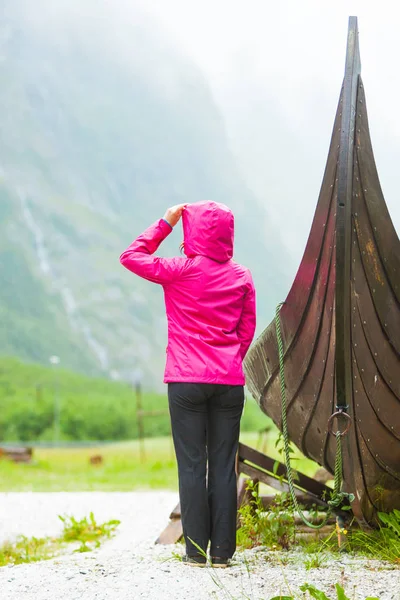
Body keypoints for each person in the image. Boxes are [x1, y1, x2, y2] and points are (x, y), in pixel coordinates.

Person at [120, 201, 256, 568]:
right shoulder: (241, 276)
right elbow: (246, 330)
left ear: (191, 231)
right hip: (228, 382)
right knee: (224, 465)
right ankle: (224, 553)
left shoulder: (178, 270)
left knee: (193, 465)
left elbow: (131, 256)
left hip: (185, 380)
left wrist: (165, 223)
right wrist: (228, 362)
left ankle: (195, 552)